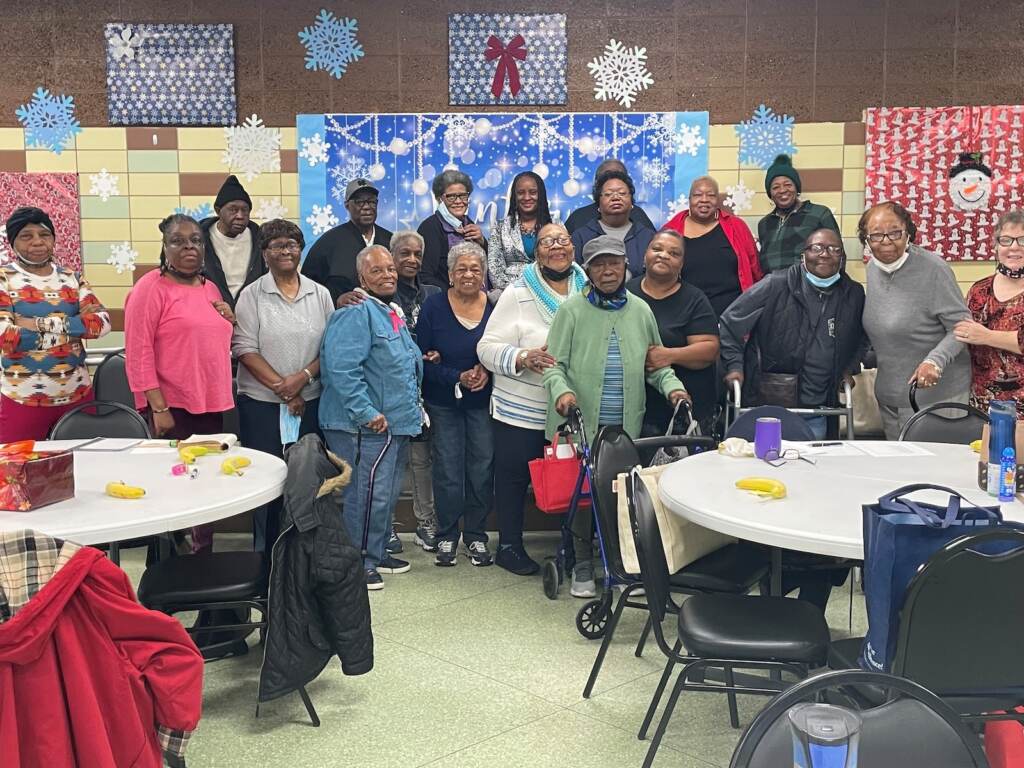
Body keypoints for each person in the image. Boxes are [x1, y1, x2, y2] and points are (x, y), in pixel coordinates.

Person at [544, 235, 688, 597]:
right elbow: (552, 366)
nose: (607, 270)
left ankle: (625, 565)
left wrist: (673, 388)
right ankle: (581, 566)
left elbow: (654, 366)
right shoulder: (571, 311)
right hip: (577, 424)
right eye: (598, 264)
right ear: (588, 271)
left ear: (626, 266)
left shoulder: (640, 310)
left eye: (614, 263)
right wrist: (562, 391)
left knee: (621, 496)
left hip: (624, 429)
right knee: (580, 497)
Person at [478, 223, 588, 575]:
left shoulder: (589, 291)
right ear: (536, 252)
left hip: (569, 408)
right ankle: (509, 547)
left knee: (571, 478)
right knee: (513, 478)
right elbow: (486, 347)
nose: (557, 247)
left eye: (563, 240)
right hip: (520, 410)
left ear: (573, 247)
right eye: (547, 242)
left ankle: (573, 548)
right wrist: (523, 357)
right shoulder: (517, 292)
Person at [124, 213, 236, 553]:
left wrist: (230, 320)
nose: (189, 247)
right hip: (170, 407)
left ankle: (202, 559)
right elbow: (138, 352)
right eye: (178, 240)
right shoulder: (149, 288)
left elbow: (212, 342)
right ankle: (167, 565)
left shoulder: (210, 288)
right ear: (164, 246)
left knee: (206, 485)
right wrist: (157, 407)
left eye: (196, 240)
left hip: (210, 404)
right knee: (172, 486)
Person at [318, 245, 424, 591]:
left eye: (390, 269)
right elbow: (341, 369)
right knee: (364, 496)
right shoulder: (355, 312)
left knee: (386, 494)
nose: (388, 275)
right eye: (377, 270)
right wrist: (366, 413)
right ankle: (358, 562)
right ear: (361, 277)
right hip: (362, 427)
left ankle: (375, 553)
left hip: (395, 424)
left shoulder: (388, 311)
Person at [232, 219, 334, 552]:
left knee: (307, 480)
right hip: (261, 405)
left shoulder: (319, 294)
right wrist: (283, 388)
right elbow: (244, 347)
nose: (286, 250)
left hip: (311, 402)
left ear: (301, 250)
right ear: (264, 254)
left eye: (292, 244)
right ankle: (266, 552)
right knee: (267, 480)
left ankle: (304, 551)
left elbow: (331, 347)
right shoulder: (252, 295)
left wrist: (301, 380)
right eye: (277, 245)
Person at [719, 229, 866, 441]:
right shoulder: (776, 284)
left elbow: (862, 337)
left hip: (821, 407)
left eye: (834, 250)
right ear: (803, 255)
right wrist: (734, 366)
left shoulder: (853, 293)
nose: (825, 254)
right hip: (770, 403)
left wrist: (848, 368)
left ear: (841, 258)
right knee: (768, 463)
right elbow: (730, 323)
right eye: (817, 248)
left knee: (812, 468)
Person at [860, 201, 970, 440]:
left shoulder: (934, 269)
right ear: (866, 241)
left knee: (937, 473)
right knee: (900, 472)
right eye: (877, 235)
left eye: (895, 232)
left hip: (936, 400)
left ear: (908, 233)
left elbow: (962, 327)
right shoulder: (873, 269)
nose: (886, 241)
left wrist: (935, 362)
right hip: (891, 398)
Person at [0, 207, 111, 441]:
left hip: (78, 396)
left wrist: (38, 323)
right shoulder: (4, 279)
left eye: (44, 234)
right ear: (13, 243)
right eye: (26, 236)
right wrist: (74, 329)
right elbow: (7, 338)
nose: (37, 242)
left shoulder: (72, 278)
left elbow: (102, 324)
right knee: (19, 472)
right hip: (22, 400)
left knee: (82, 469)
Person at [415, 242, 494, 567]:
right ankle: (447, 535)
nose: (468, 274)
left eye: (475, 268)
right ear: (449, 274)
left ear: (484, 274)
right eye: (461, 268)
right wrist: (455, 376)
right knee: (447, 469)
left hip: (484, 402)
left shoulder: (494, 307)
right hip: (443, 401)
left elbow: (503, 349)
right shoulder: (433, 307)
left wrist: (486, 371)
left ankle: (476, 536)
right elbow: (420, 360)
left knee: (482, 467)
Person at [626, 230, 720, 435]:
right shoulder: (626, 293)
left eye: (674, 253)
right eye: (657, 249)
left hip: (684, 408)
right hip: (635, 408)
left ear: (682, 264)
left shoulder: (694, 299)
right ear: (645, 256)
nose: (663, 255)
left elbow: (709, 349)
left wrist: (669, 355)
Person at [392, 230, 442, 551]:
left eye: (417, 254)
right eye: (404, 254)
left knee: (423, 460)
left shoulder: (435, 293)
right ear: (392, 257)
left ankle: (426, 522)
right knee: (393, 461)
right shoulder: (380, 295)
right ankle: (386, 527)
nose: (412, 260)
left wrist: (439, 352)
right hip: (392, 391)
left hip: (429, 389)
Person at [662, 175, 763, 316]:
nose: (704, 200)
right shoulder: (670, 231)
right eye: (698, 195)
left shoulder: (736, 226)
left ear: (718, 200)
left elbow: (755, 270)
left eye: (711, 195)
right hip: (686, 316)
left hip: (734, 317)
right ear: (689, 200)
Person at [955, 210, 1024, 416]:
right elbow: (962, 334)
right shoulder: (979, 290)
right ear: (995, 246)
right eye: (1006, 240)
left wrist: (986, 336)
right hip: (982, 405)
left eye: (1022, 240)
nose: (1014, 247)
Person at [301, 178, 393, 306]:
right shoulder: (328, 243)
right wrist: (335, 300)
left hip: (387, 318)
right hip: (345, 318)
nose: (366, 207)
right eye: (359, 202)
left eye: (371, 202)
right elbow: (307, 287)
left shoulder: (390, 241)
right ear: (347, 205)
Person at [757, 154, 841, 274]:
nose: (782, 190)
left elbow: (837, 255)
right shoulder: (764, 224)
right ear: (770, 194)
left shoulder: (819, 214)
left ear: (797, 188)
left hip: (808, 290)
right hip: (774, 290)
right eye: (775, 187)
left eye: (788, 185)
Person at [570, 169, 655, 277]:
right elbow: (576, 277)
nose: (616, 198)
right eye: (608, 194)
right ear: (598, 204)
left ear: (632, 202)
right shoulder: (581, 236)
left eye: (622, 193)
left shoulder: (647, 237)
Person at [200, 175, 264, 308]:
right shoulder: (199, 239)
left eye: (245, 210)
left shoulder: (260, 238)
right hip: (210, 309)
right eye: (233, 210)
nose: (240, 216)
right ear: (218, 211)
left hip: (251, 310)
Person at [418, 169, 486, 288]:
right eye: (451, 197)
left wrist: (483, 242)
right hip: (448, 298)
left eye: (463, 196)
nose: (458, 201)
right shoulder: (430, 227)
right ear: (440, 199)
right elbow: (425, 277)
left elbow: (487, 265)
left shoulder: (468, 223)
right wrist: (454, 294)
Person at [487, 171, 552, 292]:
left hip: (549, 291)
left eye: (533, 192)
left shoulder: (555, 226)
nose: (527, 197)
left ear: (541, 195)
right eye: (521, 193)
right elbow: (494, 269)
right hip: (511, 294)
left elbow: (564, 264)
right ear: (514, 197)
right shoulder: (500, 228)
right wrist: (516, 292)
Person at [564, 158, 656, 235]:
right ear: (596, 184)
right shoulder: (578, 217)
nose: (613, 182)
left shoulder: (639, 215)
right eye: (606, 178)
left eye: (619, 177)